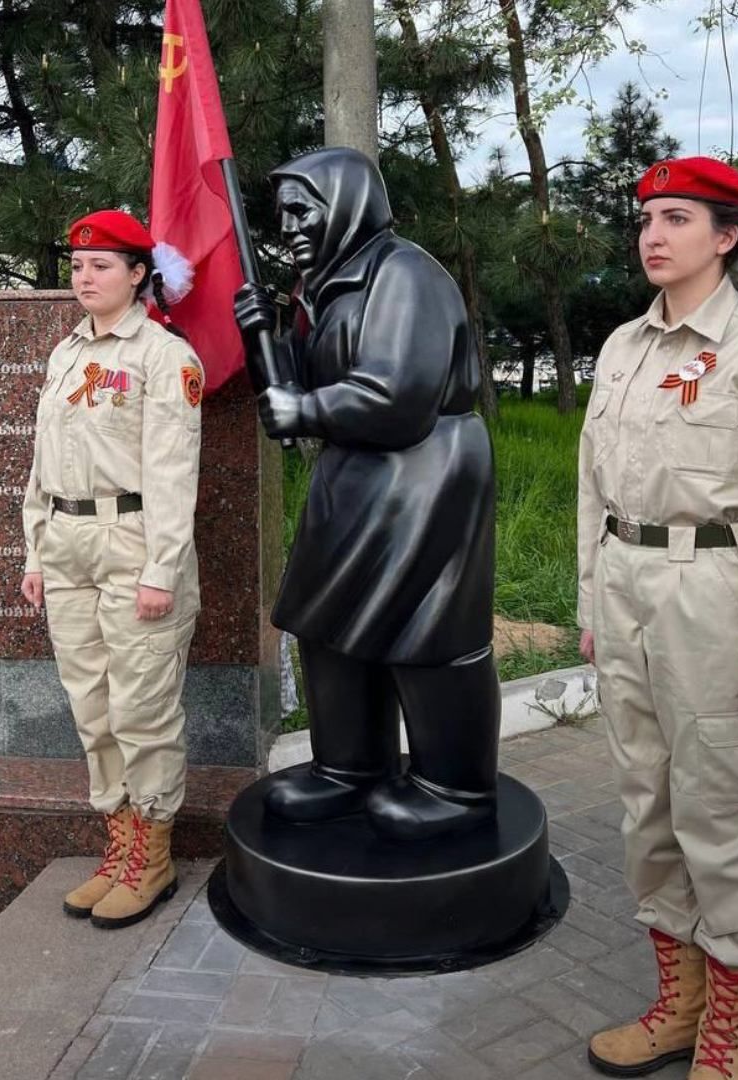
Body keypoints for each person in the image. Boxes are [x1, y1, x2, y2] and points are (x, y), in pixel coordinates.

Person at [578, 157, 738, 1080]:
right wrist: (589, 602)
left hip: (717, 596)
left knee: (719, 816)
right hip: (626, 582)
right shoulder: (623, 347)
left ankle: (729, 1031)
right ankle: (677, 1007)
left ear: (727, 237)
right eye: (647, 219)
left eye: (678, 219)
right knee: (648, 809)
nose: (653, 235)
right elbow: (591, 491)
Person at [232, 146, 499, 842]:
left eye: (302, 209)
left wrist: (308, 411)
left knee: (425, 628)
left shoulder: (402, 273)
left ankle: (455, 784)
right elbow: (303, 387)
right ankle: (349, 767)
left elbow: (398, 395)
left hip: (424, 475)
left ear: (347, 201)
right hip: (354, 475)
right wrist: (268, 342)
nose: (288, 225)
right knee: (329, 623)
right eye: (282, 213)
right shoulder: (321, 285)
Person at [18, 209, 202, 929]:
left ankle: (153, 858)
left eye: (101, 266)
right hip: (67, 543)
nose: (84, 276)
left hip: (132, 546)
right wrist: (37, 551)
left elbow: (172, 472)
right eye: (77, 265)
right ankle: (120, 847)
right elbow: (42, 466)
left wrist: (163, 568)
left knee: (141, 708)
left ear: (137, 274)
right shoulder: (65, 354)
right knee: (92, 708)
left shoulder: (164, 357)